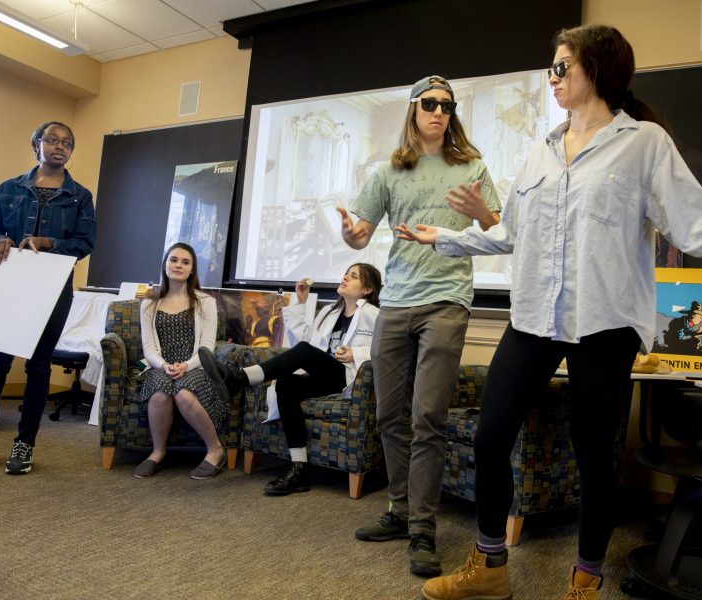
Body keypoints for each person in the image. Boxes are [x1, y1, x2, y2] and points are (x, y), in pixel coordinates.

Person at [395, 25, 702, 600]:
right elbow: (514, 235)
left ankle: (586, 579)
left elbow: (693, 220)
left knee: (594, 456)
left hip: (604, 322)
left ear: (595, 70)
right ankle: (491, 567)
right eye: (551, 68)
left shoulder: (643, 142)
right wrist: (448, 236)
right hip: (533, 318)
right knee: (490, 436)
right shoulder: (540, 150)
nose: (551, 78)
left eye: (561, 67)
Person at [338, 75, 502, 577]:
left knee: (427, 417)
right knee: (389, 414)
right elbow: (360, 237)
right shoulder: (390, 169)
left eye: (447, 105)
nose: (438, 111)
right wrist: (350, 233)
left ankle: (423, 528)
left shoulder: (471, 165)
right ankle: (400, 509)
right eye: (429, 103)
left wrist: (480, 213)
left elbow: (498, 226)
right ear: (412, 109)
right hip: (397, 302)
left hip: (447, 303)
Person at [0, 121, 96, 475]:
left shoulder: (80, 196)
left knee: (38, 366)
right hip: (10, 287)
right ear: (36, 144)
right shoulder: (7, 189)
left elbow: (85, 243)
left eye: (67, 142)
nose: (60, 146)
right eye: (52, 139)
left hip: (53, 290)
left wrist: (50, 243)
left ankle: (25, 443)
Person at [199, 263, 382, 496]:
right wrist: (301, 303)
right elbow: (303, 342)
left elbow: (387, 350)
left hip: (348, 378)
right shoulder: (329, 313)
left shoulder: (375, 315)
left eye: (353, 276)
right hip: (322, 376)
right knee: (286, 384)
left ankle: (240, 378)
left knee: (304, 353)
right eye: (346, 273)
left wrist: (355, 353)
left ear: (367, 289)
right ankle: (300, 469)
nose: (345, 277)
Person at [134, 242, 228, 480]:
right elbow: (149, 348)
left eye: (185, 262)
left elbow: (207, 346)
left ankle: (215, 450)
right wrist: (164, 365)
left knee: (184, 393)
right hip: (161, 366)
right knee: (159, 394)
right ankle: (157, 453)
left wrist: (187, 365)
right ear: (165, 264)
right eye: (174, 260)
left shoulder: (204, 301)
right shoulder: (149, 303)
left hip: (196, 366)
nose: (179, 265)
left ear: (192, 270)